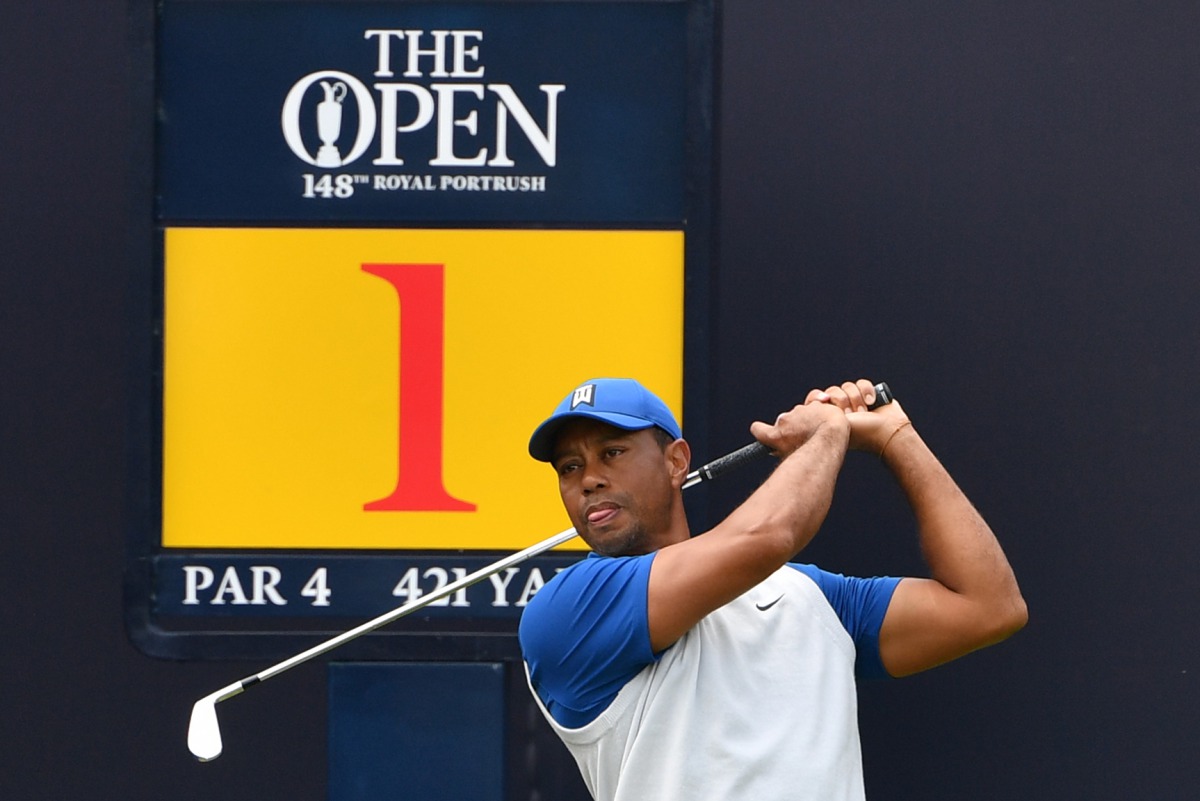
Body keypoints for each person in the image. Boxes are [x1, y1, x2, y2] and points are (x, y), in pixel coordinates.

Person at [518, 377, 1027, 801]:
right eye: (570, 467)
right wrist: (827, 433)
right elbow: (769, 537)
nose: (589, 480)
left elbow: (988, 606)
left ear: (677, 462)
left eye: (612, 452)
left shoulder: (812, 597)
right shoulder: (566, 610)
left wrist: (896, 436)